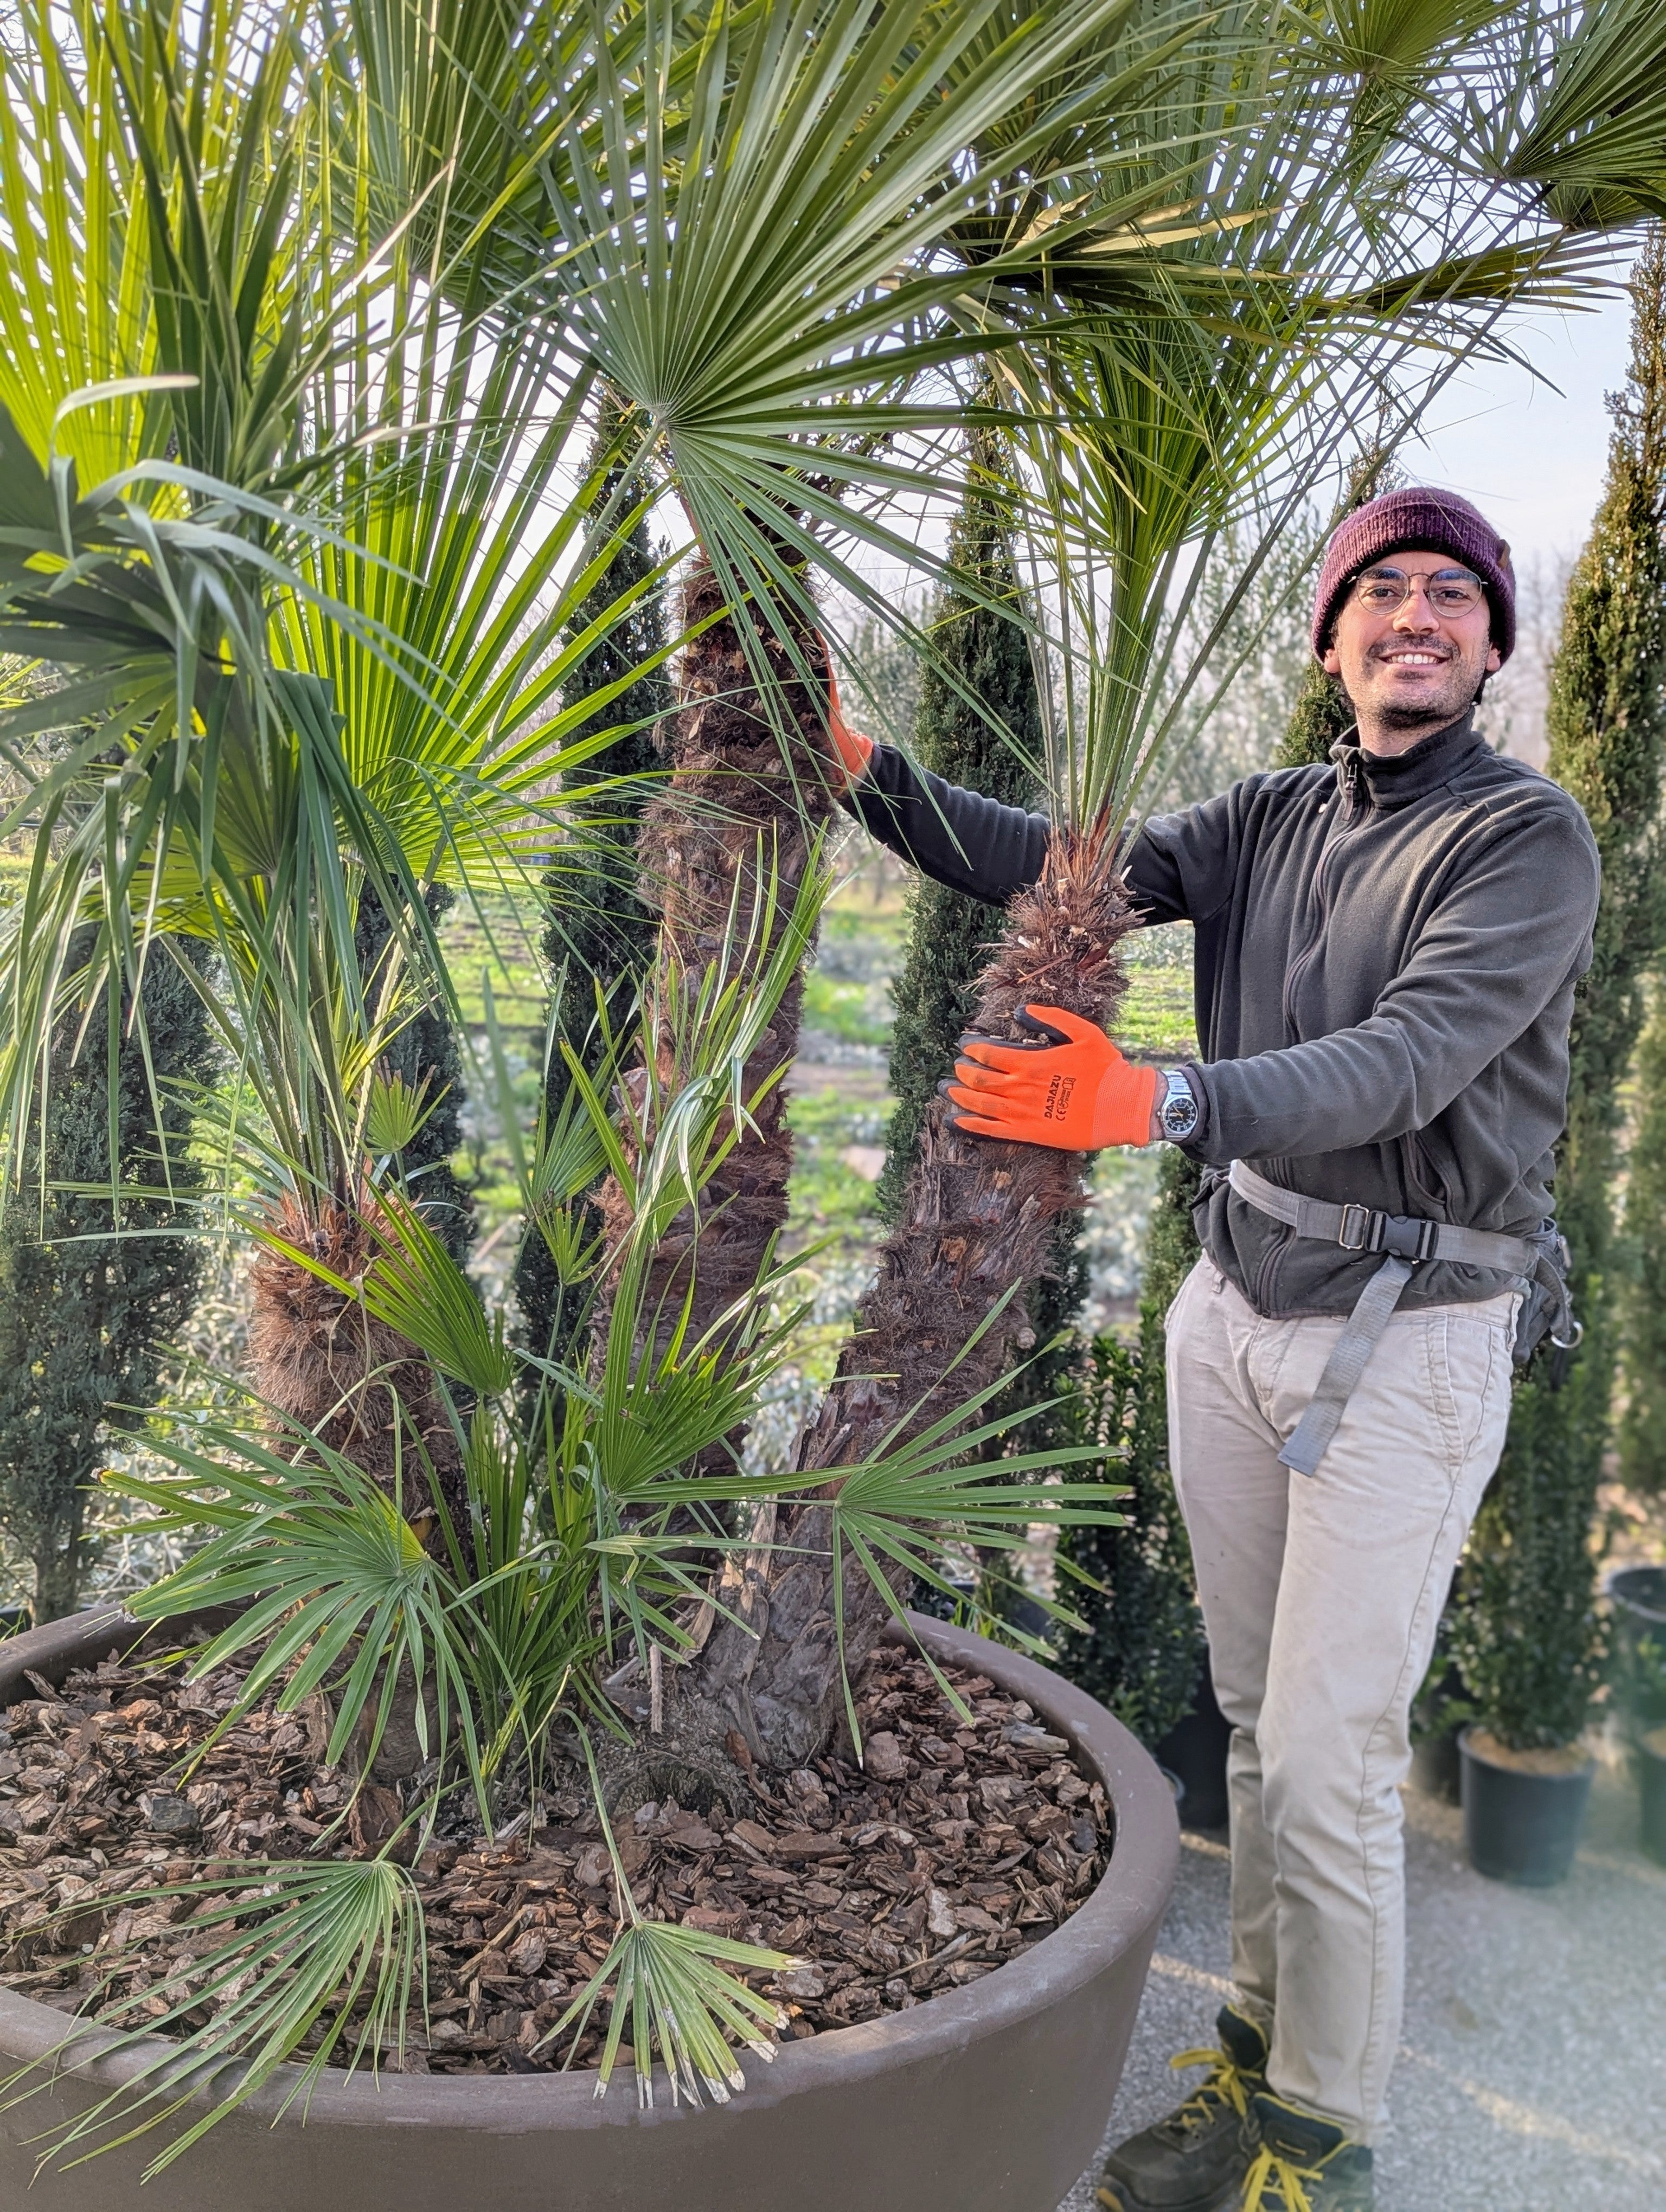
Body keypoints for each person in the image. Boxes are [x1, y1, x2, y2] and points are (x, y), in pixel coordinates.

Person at [822, 487, 1600, 2212]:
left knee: (1329, 1761)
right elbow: (1057, 865)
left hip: (1410, 1343)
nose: (1420, 617)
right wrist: (862, 761)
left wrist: (1159, 1094)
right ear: (1330, 639)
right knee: (1258, 1733)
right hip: (1235, 1311)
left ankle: (1325, 2148)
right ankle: (1255, 2077)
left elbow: (1410, 1058)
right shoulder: (1265, 816)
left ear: (1489, 642)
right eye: (1383, 591)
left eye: (1453, 598)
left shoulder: (1523, 840)